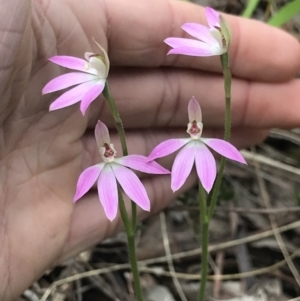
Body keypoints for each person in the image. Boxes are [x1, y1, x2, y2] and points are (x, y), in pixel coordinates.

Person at [1, 0, 299, 299]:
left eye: (195, 125)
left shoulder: (213, 143)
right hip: (97, 102)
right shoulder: (101, 134)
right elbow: (126, 168)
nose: (193, 128)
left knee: (204, 183)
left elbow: (217, 155)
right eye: (192, 125)